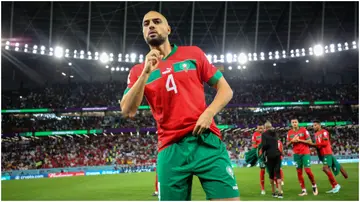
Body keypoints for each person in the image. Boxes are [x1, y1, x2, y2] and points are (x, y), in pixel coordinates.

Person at [120, 11, 239, 201]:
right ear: (143, 33)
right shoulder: (136, 71)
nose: (151, 25)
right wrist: (145, 73)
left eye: (157, 22)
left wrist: (209, 113)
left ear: (168, 29)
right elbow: (127, 110)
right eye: (146, 24)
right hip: (170, 149)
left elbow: (226, 90)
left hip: (206, 141)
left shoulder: (193, 53)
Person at [309, 120, 348, 193]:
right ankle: (334, 186)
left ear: (319, 125)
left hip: (326, 152)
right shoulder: (316, 134)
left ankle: (336, 185)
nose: (314, 127)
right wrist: (312, 148)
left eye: (315, 125)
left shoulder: (324, 132)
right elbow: (318, 145)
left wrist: (313, 144)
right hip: (322, 154)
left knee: (325, 168)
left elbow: (325, 143)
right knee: (330, 168)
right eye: (313, 125)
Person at [286, 119, 318, 196]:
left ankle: (314, 185)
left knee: (308, 171)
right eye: (293, 122)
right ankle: (303, 190)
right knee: (299, 172)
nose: (294, 124)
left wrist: (299, 140)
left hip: (305, 153)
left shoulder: (303, 130)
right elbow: (287, 144)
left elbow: (310, 142)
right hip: (296, 154)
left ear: (298, 123)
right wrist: (292, 141)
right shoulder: (289, 133)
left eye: (295, 122)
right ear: (291, 124)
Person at [261, 121, 283, 198]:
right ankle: (280, 193)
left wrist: (262, 152)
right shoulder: (275, 133)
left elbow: (264, 146)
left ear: (265, 128)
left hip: (269, 156)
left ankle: (273, 192)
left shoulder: (264, 134)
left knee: (271, 174)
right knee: (278, 173)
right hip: (277, 155)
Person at [251, 124, 266, 195]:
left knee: (272, 170)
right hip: (261, 155)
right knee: (262, 171)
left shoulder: (267, 133)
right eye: (259, 128)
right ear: (257, 128)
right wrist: (260, 145)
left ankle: (276, 183)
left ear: (264, 128)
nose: (260, 130)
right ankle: (262, 188)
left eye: (262, 128)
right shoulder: (254, 135)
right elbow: (254, 145)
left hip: (269, 153)